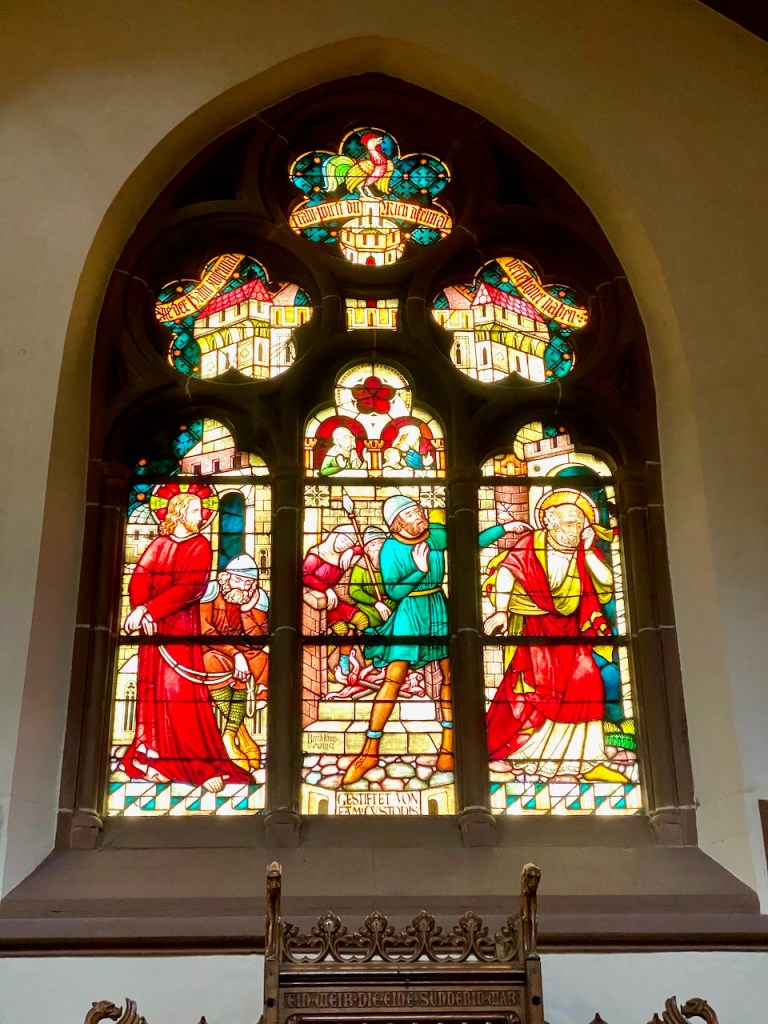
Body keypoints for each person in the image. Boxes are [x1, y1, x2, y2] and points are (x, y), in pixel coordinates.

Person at [343, 493, 528, 784]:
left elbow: (470, 542)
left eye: (419, 510)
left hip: (438, 608)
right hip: (409, 612)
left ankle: (448, 750)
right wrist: (419, 571)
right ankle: (369, 751)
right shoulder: (391, 548)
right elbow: (394, 592)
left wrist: (504, 528)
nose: (420, 515)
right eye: (411, 514)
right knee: (394, 677)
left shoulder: (436, 535)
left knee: (450, 677)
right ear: (396, 523)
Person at [483, 489, 626, 783]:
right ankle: (531, 755)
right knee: (538, 690)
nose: (575, 529)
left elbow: (606, 582)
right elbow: (508, 572)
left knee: (588, 682)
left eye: (579, 523)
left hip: (571, 633)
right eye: (569, 522)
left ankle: (588, 758)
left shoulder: (583, 551)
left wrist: (587, 550)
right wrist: (501, 611)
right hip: (536, 632)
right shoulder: (531, 544)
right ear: (550, 522)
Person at [121, 491, 252, 792]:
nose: (201, 515)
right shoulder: (159, 544)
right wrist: (143, 611)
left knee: (181, 692)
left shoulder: (200, 545)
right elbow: (139, 579)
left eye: (201, 510)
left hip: (181, 628)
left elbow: (191, 586)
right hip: (153, 631)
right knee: (152, 693)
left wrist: (149, 609)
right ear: (178, 513)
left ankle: (199, 765)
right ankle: (155, 759)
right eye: (194, 510)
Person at [200, 554, 269, 772]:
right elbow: (205, 630)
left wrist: (247, 610)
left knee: (262, 660)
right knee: (210, 662)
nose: (241, 586)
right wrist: (235, 654)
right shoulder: (211, 592)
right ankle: (240, 737)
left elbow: (258, 640)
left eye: (247, 582)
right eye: (237, 580)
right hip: (212, 648)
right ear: (226, 577)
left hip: (241, 651)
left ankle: (229, 735)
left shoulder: (255, 598)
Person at [302, 525, 368, 679]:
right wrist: (326, 589)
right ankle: (331, 668)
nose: (343, 545)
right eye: (342, 539)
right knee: (341, 630)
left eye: (348, 544)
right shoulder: (317, 554)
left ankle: (360, 661)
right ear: (334, 536)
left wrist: (352, 551)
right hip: (319, 602)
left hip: (333, 603)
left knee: (362, 620)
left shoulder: (344, 556)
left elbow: (366, 548)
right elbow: (305, 575)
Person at [347, 525, 394, 629]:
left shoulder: (393, 563)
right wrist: (376, 603)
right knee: (360, 620)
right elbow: (354, 590)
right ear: (366, 549)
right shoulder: (362, 565)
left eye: (381, 543)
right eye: (373, 544)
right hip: (367, 606)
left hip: (392, 603)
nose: (378, 547)